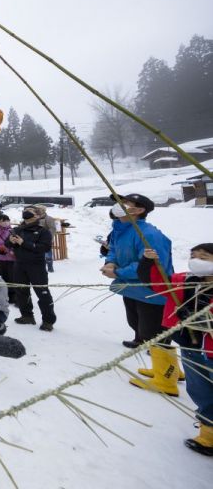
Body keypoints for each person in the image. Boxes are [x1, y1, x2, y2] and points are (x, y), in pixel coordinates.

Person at [140, 243, 213, 455]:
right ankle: (209, 433)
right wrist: (148, 262)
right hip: (192, 348)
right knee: (200, 390)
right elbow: (157, 284)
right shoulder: (184, 281)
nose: (196, 260)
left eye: (204, 257)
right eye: (193, 255)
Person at [101, 193, 172, 349]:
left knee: (154, 329)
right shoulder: (119, 230)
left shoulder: (149, 234)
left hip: (150, 289)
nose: (120, 205)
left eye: (126, 202)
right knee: (134, 319)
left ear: (139, 210)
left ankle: (165, 364)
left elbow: (151, 264)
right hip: (130, 286)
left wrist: (119, 272)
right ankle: (140, 339)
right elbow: (112, 248)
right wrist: (111, 263)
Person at [7, 206, 56, 331]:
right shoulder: (17, 229)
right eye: (24, 211)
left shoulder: (43, 231)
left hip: (36, 266)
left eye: (30, 212)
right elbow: (6, 244)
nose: (26, 213)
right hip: (19, 264)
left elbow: (44, 248)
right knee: (21, 291)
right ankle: (27, 316)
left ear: (38, 215)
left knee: (42, 292)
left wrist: (23, 243)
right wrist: (11, 241)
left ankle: (48, 321)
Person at [33, 205, 57, 273]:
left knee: (48, 254)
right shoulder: (35, 218)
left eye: (39, 209)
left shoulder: (49, 218)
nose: (38, 211)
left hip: (45, 239)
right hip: (37, 239)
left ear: (43, 210)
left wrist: (49, 238)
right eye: (37, 209)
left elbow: (52, 229)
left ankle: (50, 267)